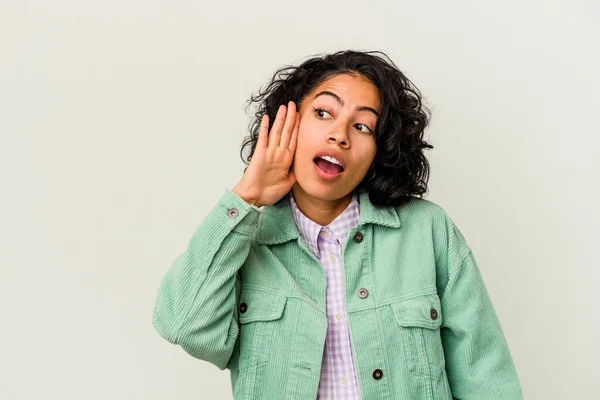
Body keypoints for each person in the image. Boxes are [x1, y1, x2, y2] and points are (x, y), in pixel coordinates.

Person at [152, 50, 524, 399]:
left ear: (380, 150)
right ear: (288, 123)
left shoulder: (429, 232)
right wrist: (245, 197)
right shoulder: (246, 242)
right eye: (324, 113)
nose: (340, 135)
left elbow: (487, 380)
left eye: (363, 126)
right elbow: (185, 325)